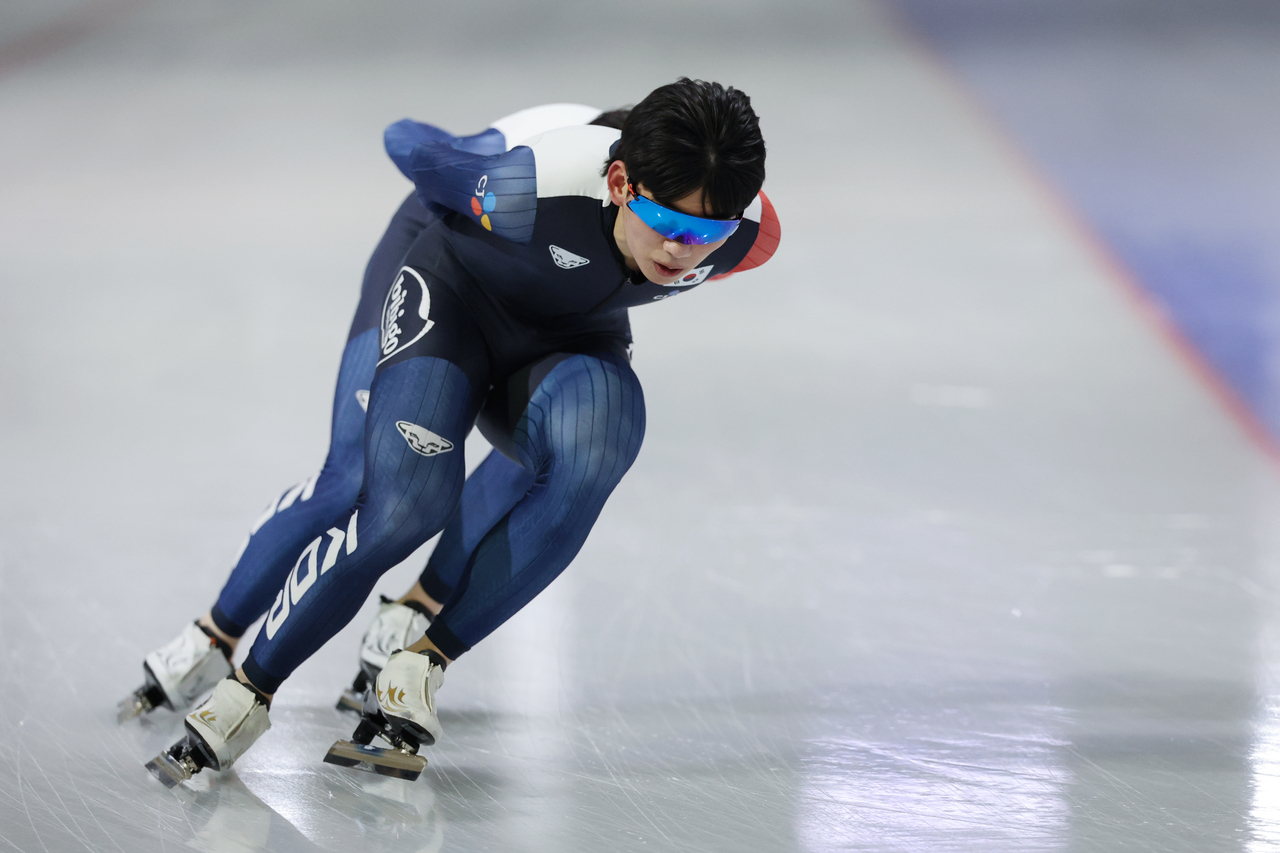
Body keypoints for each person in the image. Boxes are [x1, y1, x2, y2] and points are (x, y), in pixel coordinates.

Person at [123, 78, 781, 786]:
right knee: (384, 494)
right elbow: (405, 140)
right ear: (620, 183)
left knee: (589, 443)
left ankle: (420, 645)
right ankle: (224, 652)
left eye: (705, 234)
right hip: (456, 271)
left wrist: (431, 608)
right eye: (671, 224)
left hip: (563, 322)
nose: (685, 251)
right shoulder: (525, 180)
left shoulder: (747, 237)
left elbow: (547, 452)